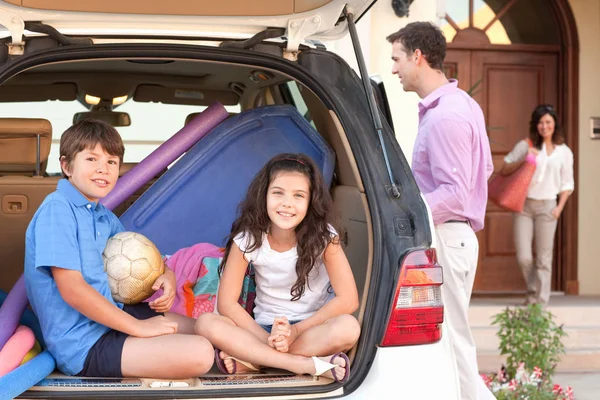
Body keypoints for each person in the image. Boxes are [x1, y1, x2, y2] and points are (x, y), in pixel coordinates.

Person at [24, 120, 214, 378]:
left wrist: (167, 277)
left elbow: (153, 261)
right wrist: (138, 327)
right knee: (201, 352)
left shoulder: (104, 216)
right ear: (67, 166)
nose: (103, 169)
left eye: (111, 162)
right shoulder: (57, 209)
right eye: (92, 159)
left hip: (115, 320)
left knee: (208, 327)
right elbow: (73, 290)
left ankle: (244, 353)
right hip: (83, 344)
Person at [387, 22, 494, 400]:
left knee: (454, 343)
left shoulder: (447, 115)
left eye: (397, 58)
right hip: (454, 237)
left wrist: (402, 212)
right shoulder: (460, 105)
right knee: (449, 342)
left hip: (448, 235)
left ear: (418, 56)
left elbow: (454, 192)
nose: (394, 68)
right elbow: (484, 171)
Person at [195, 153, 360, 382]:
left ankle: (255, 360)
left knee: (348, 328)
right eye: (278, 193)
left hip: (311, 329)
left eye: (298, 195)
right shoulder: (248, 240)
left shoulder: (325, 239)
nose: (287, 203)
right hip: (262, 329)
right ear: (264, 196)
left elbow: (349, 299)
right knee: (206, 323)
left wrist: (295, 332)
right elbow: (227, 303)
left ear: (311, 201)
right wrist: (266, 339)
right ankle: (302, 364)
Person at [500, 104, 574, 306]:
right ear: (536, 125)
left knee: (544, 259)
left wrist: (559, 208)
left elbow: (567, 183)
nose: (544, 126)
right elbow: (505, 168)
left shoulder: (564, 152)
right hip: (523, 206)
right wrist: (525, 157)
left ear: (554, 124)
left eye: (548, 122)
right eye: (541, 122)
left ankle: (540, 302)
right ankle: (533, 290)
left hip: (548, 207)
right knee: (524, 256)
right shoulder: (526, 145)